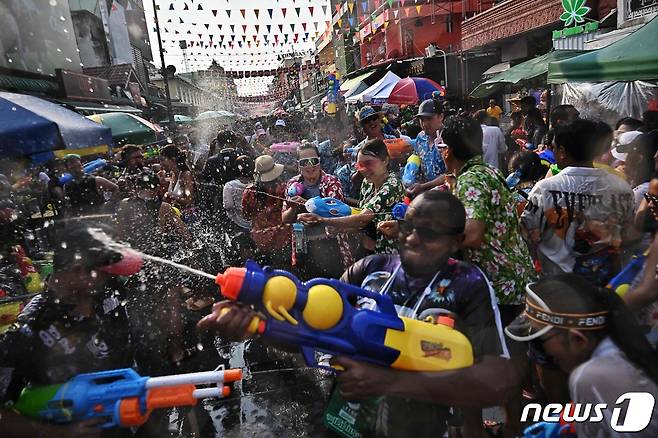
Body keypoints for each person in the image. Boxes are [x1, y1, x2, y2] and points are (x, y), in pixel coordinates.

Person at [198, 191, 517, 438]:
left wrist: (389, 383)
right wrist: (257, 324)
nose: (413, 238)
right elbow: (309, 333)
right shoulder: (371, 270)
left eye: (430, 233)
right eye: (409, 225)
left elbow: (495, 381)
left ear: (456, 241)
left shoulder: (469, 284)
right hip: (345, 423)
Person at [0, 226, 138, 438]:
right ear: (79, 271)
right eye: (104, 274)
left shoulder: (110, 298)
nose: (110, 279)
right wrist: (57, 433)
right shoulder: (33, 327)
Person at [505, 274, 658, 438]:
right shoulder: (620, 344)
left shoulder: (588, 376)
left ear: (579, 339)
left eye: (539, 341)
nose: (543, 351)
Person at [521, 119, 635, 286]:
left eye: (553, 147)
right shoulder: (622, 188)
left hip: (556, 290)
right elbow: (628, 234)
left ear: (562, 151)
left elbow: (527, 234)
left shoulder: (545, 188)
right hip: (606, 290)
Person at [440, 115, 535, 309]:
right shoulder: (489, 171)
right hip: (515, 275)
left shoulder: (471, 179)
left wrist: (428, 244)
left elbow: (472, 236)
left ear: (448, 151)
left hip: (500, 286)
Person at [298, 139, 405, 255]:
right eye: (360, 165)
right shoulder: (367, 183)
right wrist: (339, 228)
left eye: (369, 163)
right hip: (368, 250)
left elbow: (363, 219)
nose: (364, 170)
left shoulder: (392, 185)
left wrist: (322, 220)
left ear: (385, 160)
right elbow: (360, 218)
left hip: (389, 255)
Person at [282, 143, 353, 279]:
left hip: (330, 246)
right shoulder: (292, 184)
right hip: (303, 247)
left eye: (313, 161)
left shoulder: (331, 182)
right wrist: (293, 207)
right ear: (299, 165)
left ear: (319, 162)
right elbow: (285, 218)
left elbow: (337, 214)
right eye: (304, 162)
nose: (310, 166)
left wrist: (306, 204)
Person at [241, 155, 291, 268]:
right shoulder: (284, 189)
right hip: (283, 238)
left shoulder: (249, 191)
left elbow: (247, 215)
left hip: (260, 241)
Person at [406, 99, 447, 197]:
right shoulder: (421, 137)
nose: (424, 124)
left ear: (441, 116)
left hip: (445, 197)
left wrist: (424, 186)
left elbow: (452, 173)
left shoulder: (449, 137)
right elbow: (417, 160)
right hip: (425, 197)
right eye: (422, 120)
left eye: (429, 119)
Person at [158, 145, 196, 222]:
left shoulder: (186, 175)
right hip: (176, 217)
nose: (160, 164)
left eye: (162, 160)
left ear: (173, 159)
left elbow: (189, 201)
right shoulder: (173, 174)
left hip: (188, 218)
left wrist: (171, 195)